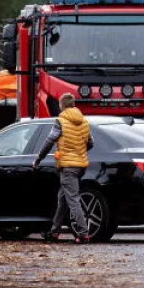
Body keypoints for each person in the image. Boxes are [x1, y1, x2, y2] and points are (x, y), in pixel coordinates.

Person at [35, 93, 94, 243]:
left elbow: (49, 141)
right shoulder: (84, 121)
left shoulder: (60, 121)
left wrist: (38, 158)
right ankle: (54, 232)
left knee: (73, 200)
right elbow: (90, 143)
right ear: (73, 104)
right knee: (63, 199)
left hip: (68, 166)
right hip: (81, 165)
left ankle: (83, 233)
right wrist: (79, 152)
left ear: (62, 105)